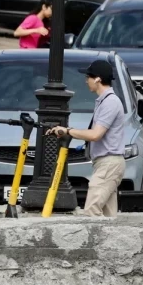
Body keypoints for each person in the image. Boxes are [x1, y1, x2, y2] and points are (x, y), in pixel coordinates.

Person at [46, 60, 125, 217]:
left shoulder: (110, 102)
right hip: (106, 163)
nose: (85, 80)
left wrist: (69, 130)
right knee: (107, 217)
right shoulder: (104, 101)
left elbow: (95, 134)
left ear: (97, 79)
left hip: (108, 164)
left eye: (88, 76)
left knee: (91, 212)